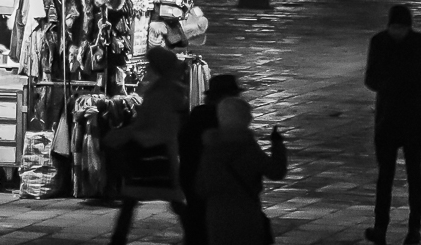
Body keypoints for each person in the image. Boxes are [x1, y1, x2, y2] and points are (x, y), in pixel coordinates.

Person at [364, 5, 421, 244]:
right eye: (394, 27)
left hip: (412, 115)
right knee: (385, 175)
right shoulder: (379, 42)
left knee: (414, 174)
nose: (397, 32)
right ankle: (380, 227)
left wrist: (400, 83)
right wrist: (388, 85)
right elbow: (370, 78)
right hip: (387, 116)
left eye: (401, 28)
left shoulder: (420, 43)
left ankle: (414, 228)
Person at [105, 46, 190, 245]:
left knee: (134, 198)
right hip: (156, 149)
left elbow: (152, 123)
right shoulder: (169, 88)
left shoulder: (163, 92)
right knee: (165, 197)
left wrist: (123, 135)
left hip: (152, 151)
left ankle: (118, 239)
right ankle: (194, 235)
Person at [195, 97, 286, 245]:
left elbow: (200, 187)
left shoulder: (210, 148)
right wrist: (278, 146)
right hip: (246, 213)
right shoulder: (248, 149)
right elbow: (276, 172)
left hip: (217, 215)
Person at [179, 74, 242, 245]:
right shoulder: (226, 121)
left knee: (197, 225)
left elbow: (183, 143)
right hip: (212, 182)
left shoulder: (198, 114)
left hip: (191, 177)